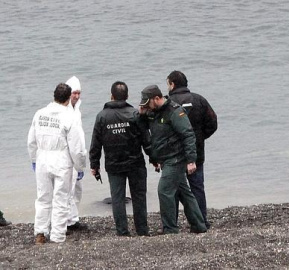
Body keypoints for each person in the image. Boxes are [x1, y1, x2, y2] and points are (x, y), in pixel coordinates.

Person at [139, 85, 207, 234]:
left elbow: (188, 135)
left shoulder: (175, 111)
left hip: (175, 158)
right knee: (184, 193)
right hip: (165, 158)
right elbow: (143, 126)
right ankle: (199, 225)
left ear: (156, 99)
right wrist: (141, 114)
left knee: (164, 191)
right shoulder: (154, 112)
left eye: (147, 103)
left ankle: (170, 228)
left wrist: (191, 160)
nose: (147, 106)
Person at [27, 83, 87, 244]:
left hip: (42, 159)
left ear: (53, 96)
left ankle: (40, 231)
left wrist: (34, 159)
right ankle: (58, 235)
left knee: (43, 198)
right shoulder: (69, 117)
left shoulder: (39, 114)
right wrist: (80, 166)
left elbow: (31, 141)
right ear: (68, 98)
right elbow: (76, 147)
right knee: (61, 199)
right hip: (61, 160)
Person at [89, 81, 150, 236]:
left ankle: (122, 231)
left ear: (111, 96)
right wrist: (154, 157)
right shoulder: (135, 114)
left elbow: (96, 143)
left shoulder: (102, 116)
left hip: (113, 164)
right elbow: (146, 139)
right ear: (127, 96)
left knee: (117, 198)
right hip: (135, 162)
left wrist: (94, 164)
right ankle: (142, 230)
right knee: (139, 196)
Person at [166, 70, 217, 228]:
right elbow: (212, 123)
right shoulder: (199, 100)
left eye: (167, 84)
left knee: (172, 189)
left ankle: (172, 224)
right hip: (196, 152)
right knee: (197, 187)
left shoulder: (167, 103)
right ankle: (201, 220)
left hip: (173, 153)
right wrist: (200, 138)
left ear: (172, 84)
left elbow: (160, 129)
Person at [65, 75, 88, 232]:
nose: (77, 96)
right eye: (74, 93)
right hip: (67, 157)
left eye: (79, 93)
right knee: (67, 190)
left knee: (77, 189)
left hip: (77, 156)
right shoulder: (63, 111)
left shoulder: (77, 110)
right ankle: (67, 221)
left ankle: (73, 218)